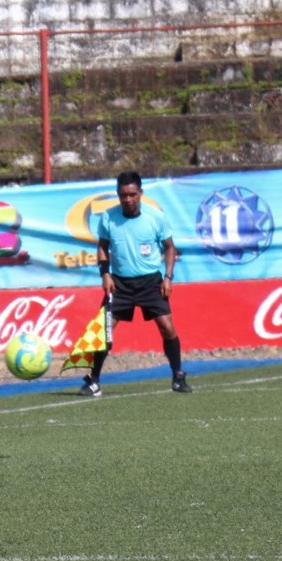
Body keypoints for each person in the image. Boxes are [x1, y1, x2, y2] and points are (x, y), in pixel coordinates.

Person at [79, 170, 192, 397]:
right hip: (120, 284)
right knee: (104, 331)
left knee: (167, 328)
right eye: (123, 195)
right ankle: (93, 381)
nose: (128, 200)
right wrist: (105, 274)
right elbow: (102, 246)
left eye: (132, 194)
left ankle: (178, 376)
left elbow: (170, 248)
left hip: (151, 282)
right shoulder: (108, 217)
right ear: (118, 195)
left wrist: (168, 277)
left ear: (140, 193)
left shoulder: (155, 217)